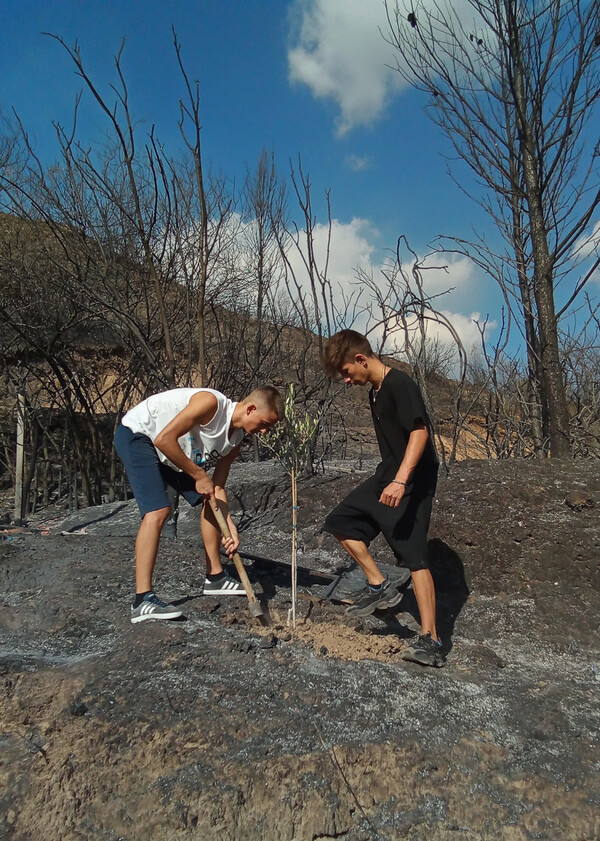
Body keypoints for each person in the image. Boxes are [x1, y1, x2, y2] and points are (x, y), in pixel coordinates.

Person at [322, 330, 443, 667]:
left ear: (361, 359)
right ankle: (378, 584)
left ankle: (431, 639)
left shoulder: (399, 385)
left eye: (347, 372)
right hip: (386, 475)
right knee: (340, 522)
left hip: (413, 480)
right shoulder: (374, 392)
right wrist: (390, 478)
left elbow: (420, 432)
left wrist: (402, 480)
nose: (347, 380)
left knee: (414, 557)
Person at [114, 385, 283, 624]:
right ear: (251, 408)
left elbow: (217, 489)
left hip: (165, 451)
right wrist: (199, 475)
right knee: (158, 510)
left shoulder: (236, 440)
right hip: (139, 435)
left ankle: (215, 577)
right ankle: (142, 600)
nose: (265, 432)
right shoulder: (210, 404)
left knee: (208, 498)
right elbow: (164, 439)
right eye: (265, 423)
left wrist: (230, 527)